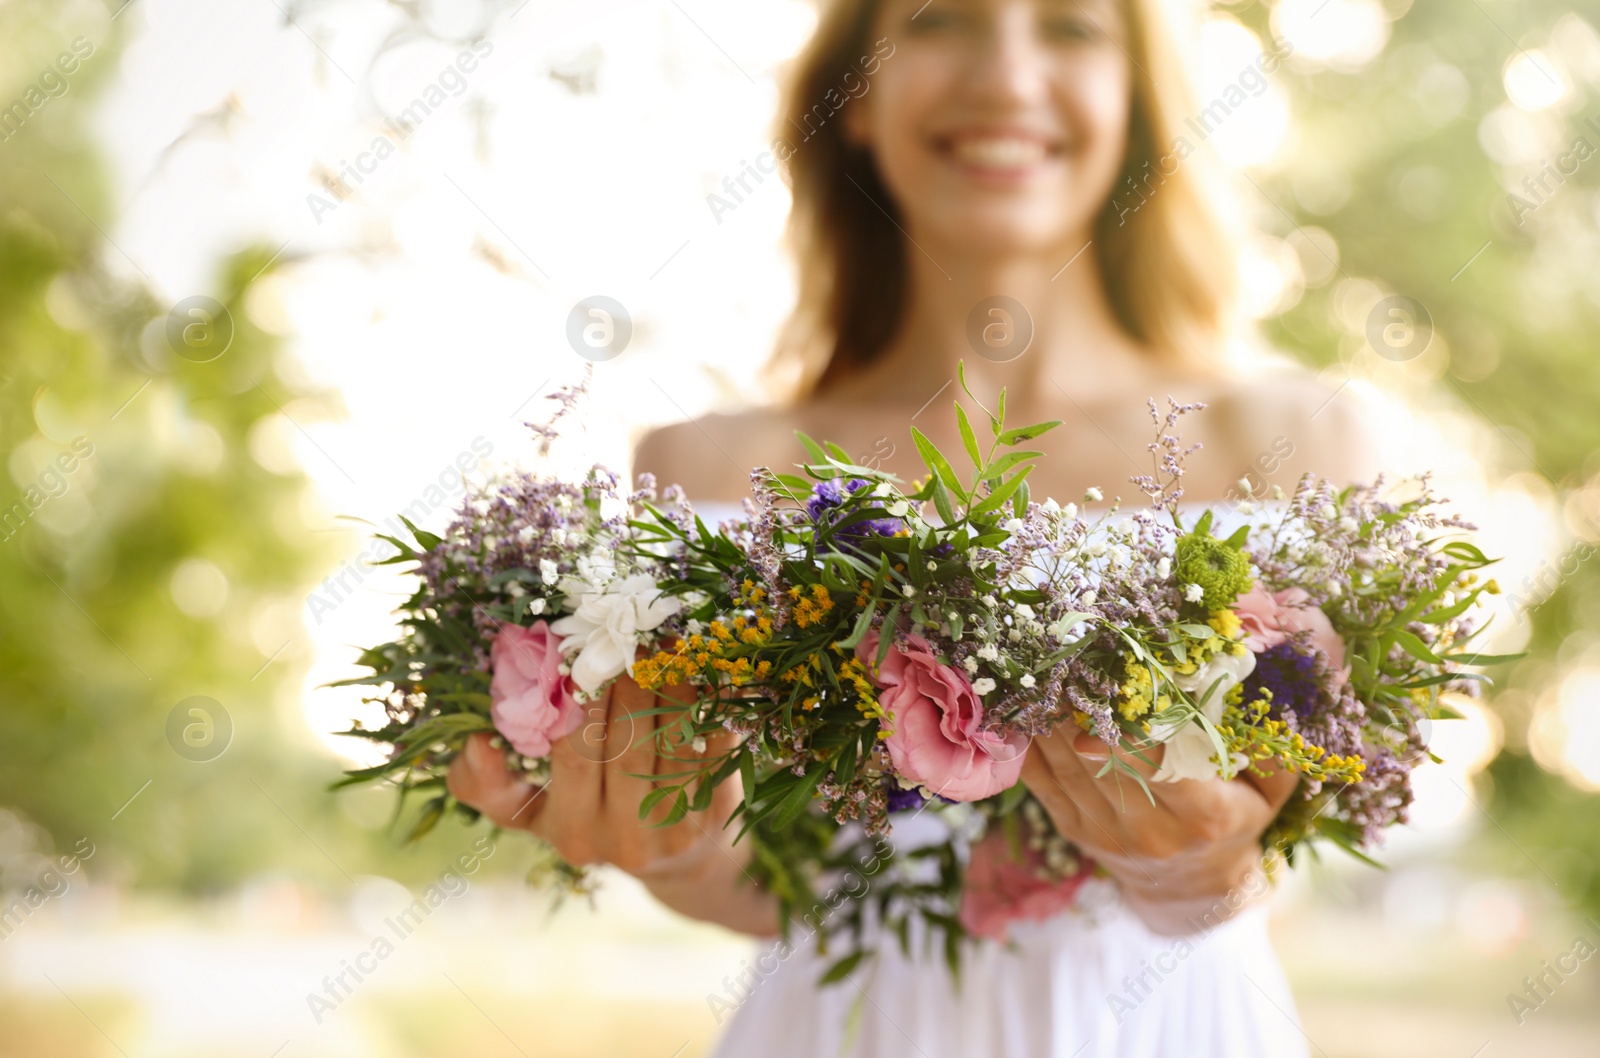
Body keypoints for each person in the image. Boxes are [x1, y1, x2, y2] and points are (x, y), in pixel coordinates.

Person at [449, 0, 1379, 1052]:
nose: (1007, 77)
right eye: (942, 18)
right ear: (854, 98)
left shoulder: (1295, 443)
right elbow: (778, 883)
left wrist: (1198, 874)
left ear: (1133, 100)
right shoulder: (699, 470)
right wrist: (677, 856)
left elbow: (1333, 848)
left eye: (1071, 28)